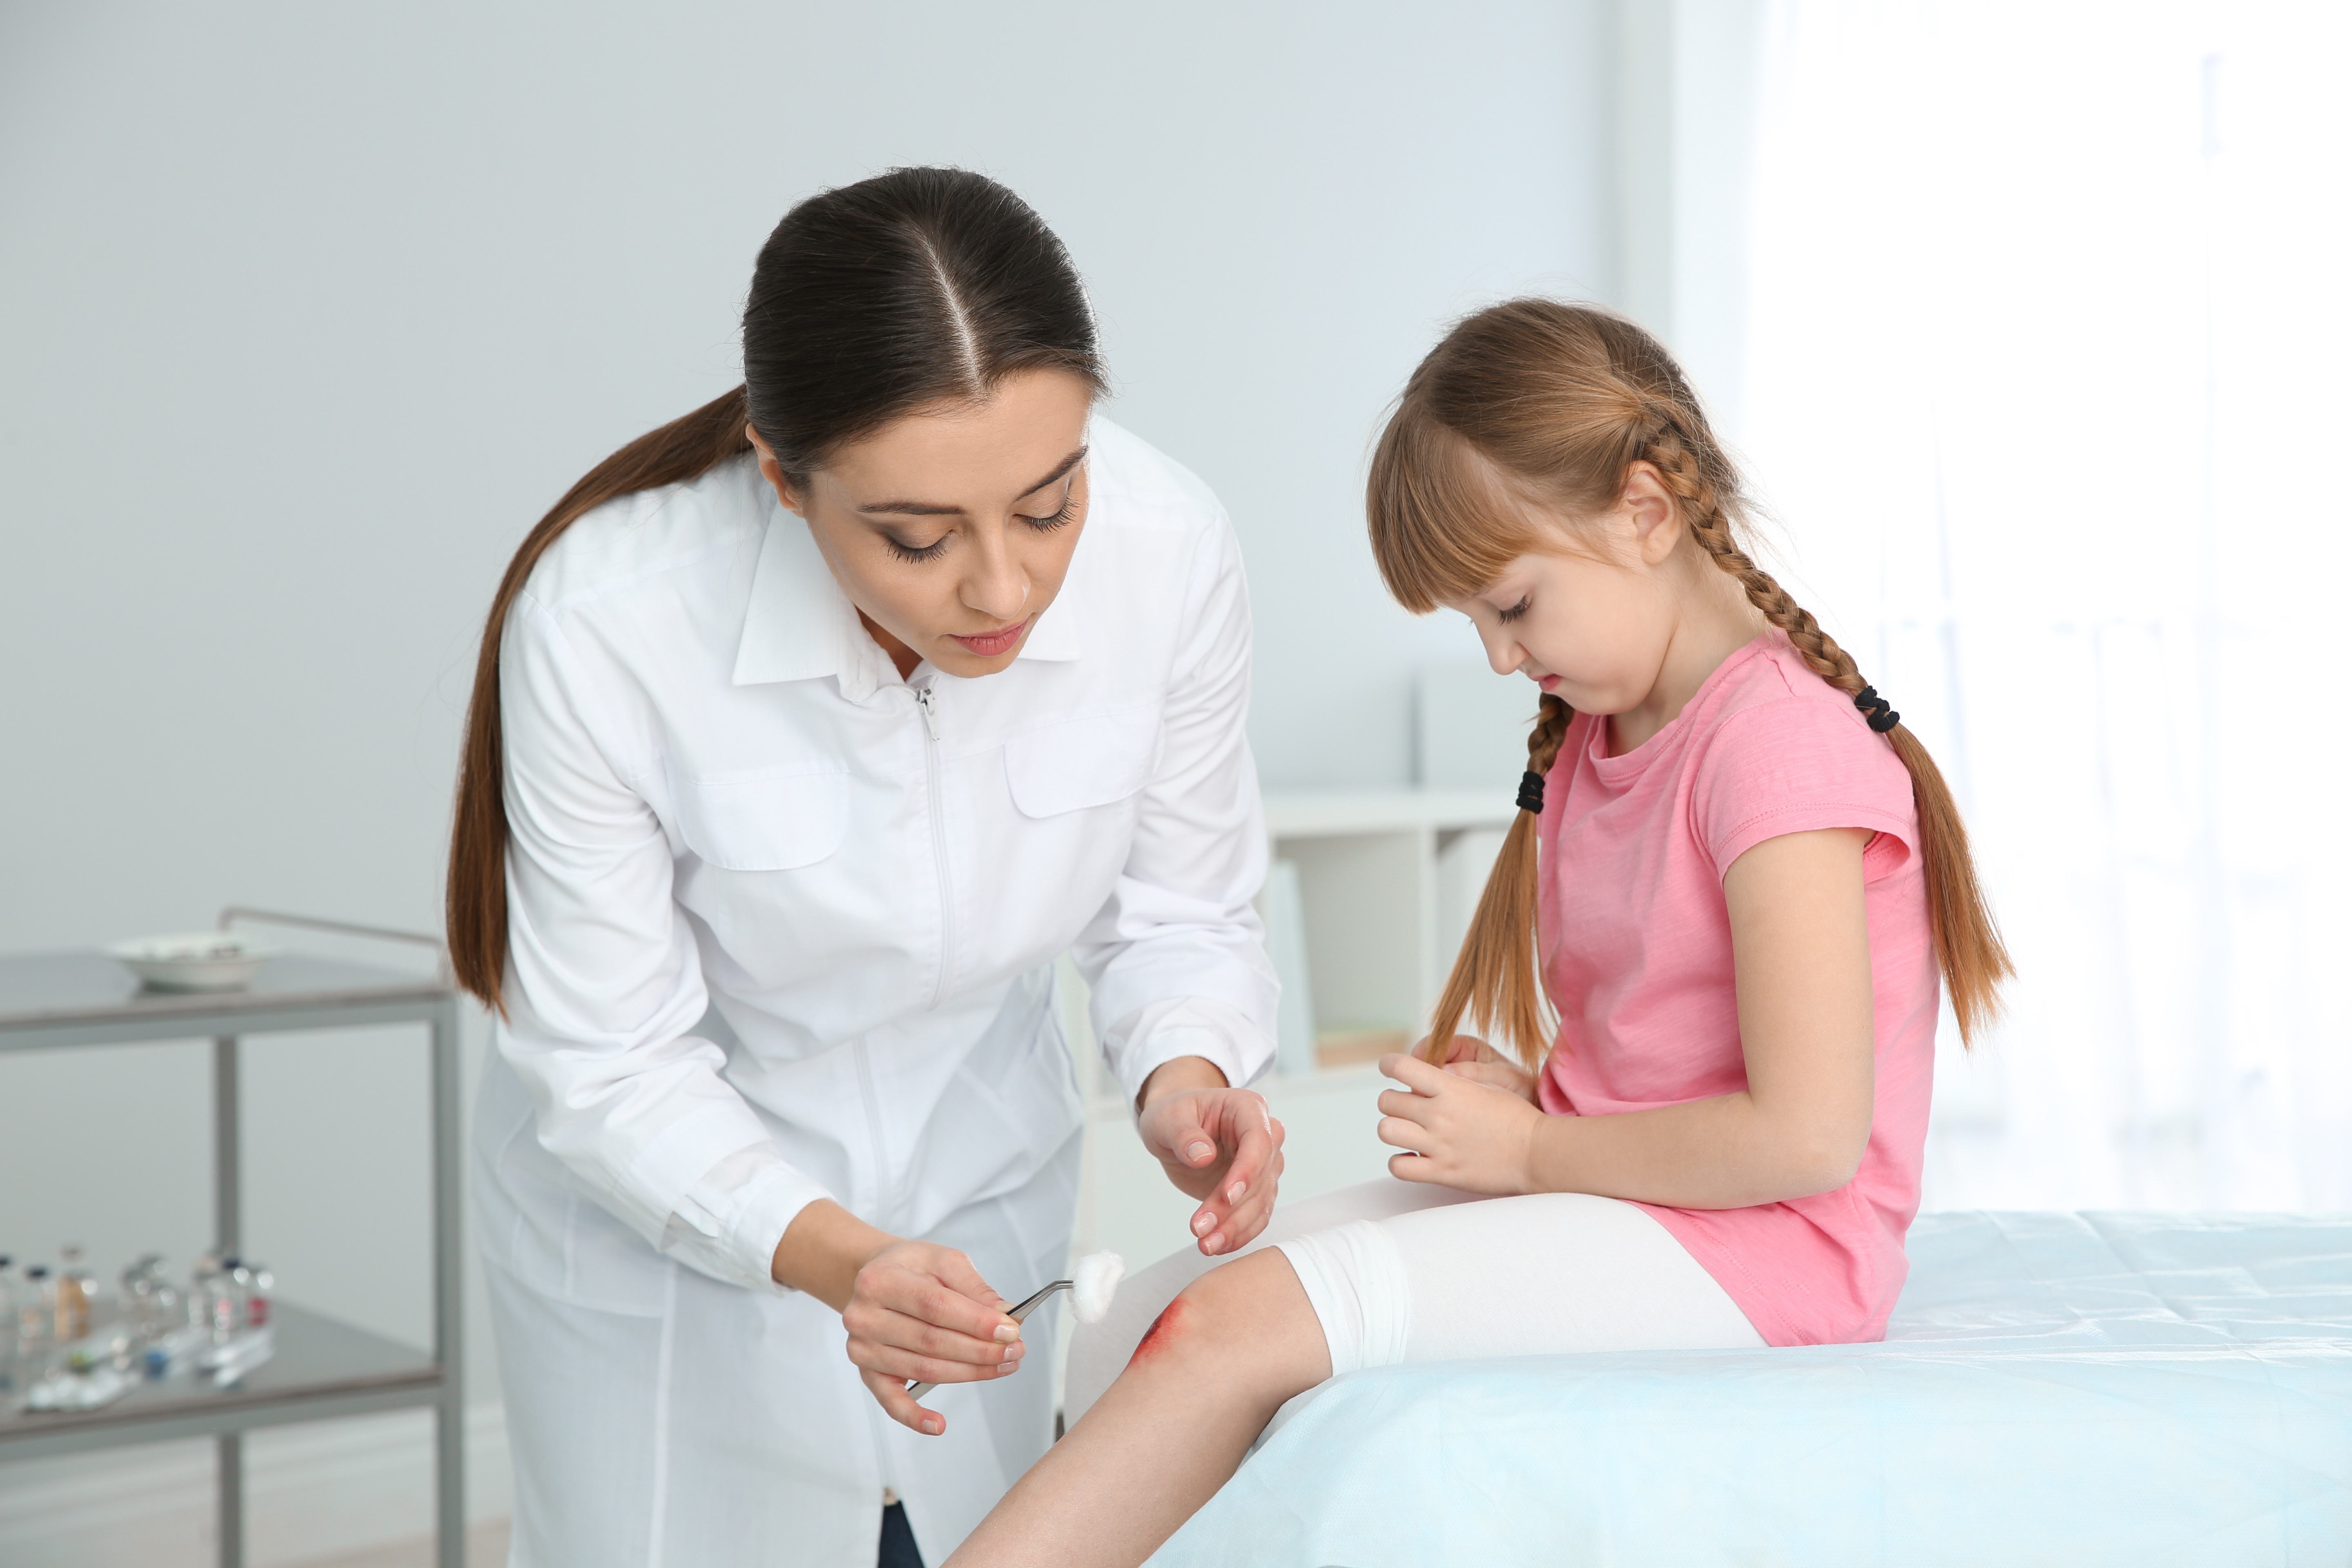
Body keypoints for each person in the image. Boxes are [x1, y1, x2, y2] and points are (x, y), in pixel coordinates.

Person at [945, 299, 2013, 1568]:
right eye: (1476, 625)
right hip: (1649, 1209)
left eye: (1511, 606)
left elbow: (1809, 1137)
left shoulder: (1772, 748)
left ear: (1645, 513)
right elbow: (1665, 1050)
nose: (1502, 658)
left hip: (1765, 1250)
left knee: (1219, 1333)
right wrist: (1535, 1105)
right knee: (1151, 1318)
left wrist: (1531, 1151)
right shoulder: (1610, 736)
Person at [445, 168, 1286, 1568]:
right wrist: (839, 1260)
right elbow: (610, 1064)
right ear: (784, 475)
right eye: (917, 538)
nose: (1003, 590)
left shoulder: (1171, 549)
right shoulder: (612, 619)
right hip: (677, 1250)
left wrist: (1187, 1076)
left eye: (1048, 504)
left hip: (982, 1193)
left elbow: (1179, 906)